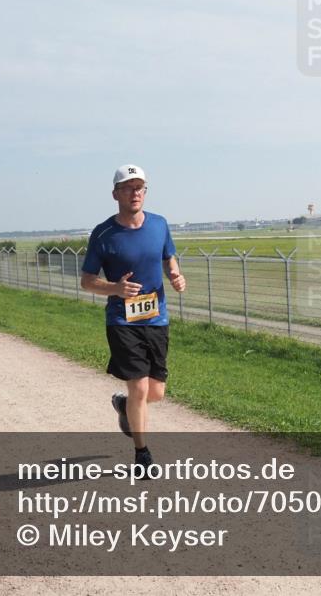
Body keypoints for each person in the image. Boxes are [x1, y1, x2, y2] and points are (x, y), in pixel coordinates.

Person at [80, 164, 186, 471]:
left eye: (139, 187)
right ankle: (142, 454)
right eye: (128, 188)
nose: (135, 193)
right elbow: (87, 281)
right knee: (139, 388)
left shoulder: (159, 224)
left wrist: (175, 274)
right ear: (115, 194)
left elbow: (168, 257)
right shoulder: (104, 234)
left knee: (156, 393)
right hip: (122, 320)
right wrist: (115, 288)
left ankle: (125, 405)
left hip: (156, 318)